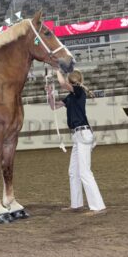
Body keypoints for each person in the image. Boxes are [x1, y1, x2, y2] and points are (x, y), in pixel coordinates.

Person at [46, 69, 106, 216]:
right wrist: (49, 94)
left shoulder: (78, 91)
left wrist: (56, 71)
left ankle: (98, 206)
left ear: (71, 80)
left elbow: (61, 83)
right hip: (77, 136)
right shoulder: (71, 96)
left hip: (83, 134)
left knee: (85, 171)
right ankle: (76, 204)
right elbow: (53, 106)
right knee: (74, 171)